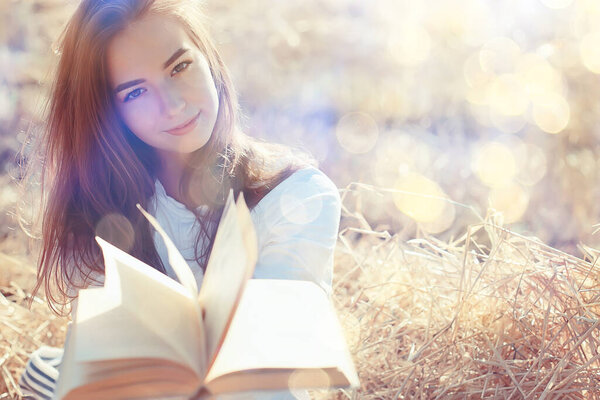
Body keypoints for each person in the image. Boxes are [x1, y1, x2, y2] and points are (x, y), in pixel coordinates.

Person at [18, 0, 341, 399]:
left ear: (208, 57)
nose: (173, 105)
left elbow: (275, 374)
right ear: (107, 112)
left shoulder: (297, 195)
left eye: (180, 67)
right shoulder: (98, 213)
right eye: (136, 92)